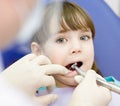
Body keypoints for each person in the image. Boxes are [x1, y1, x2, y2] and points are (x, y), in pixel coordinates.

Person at [31, 1, 113, 106]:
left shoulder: (114, 90)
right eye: (61, 40)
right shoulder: (28, 98)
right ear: (38, 51)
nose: (77, 48)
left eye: (84, 37)